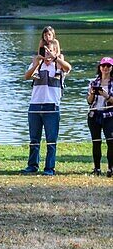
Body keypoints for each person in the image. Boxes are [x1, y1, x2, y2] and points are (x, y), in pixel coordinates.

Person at [21, 37, 71, 176]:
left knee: (51, 140)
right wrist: (36, 63)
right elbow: (26, 76)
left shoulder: (58, 66)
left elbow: (68, 68)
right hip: (35, 105)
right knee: (34, 139)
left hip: (52, 106)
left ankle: (49, 168)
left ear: (55, 51)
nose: (47, 53)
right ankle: (32, 165)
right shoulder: (37, 64)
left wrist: (56, 58)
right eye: (45, 50)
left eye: (50, 50)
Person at [86, 56, 113, 177]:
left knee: (111, 141)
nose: (105, 68)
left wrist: (106, 96)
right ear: (100, 67)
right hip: (94, 115)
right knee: (96, 142)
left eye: (108, 66)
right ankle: (97, 168)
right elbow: (89, 101)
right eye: (103, 66)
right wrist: (92, 93)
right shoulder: (93, 82)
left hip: (110, 115)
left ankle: (110, 168)